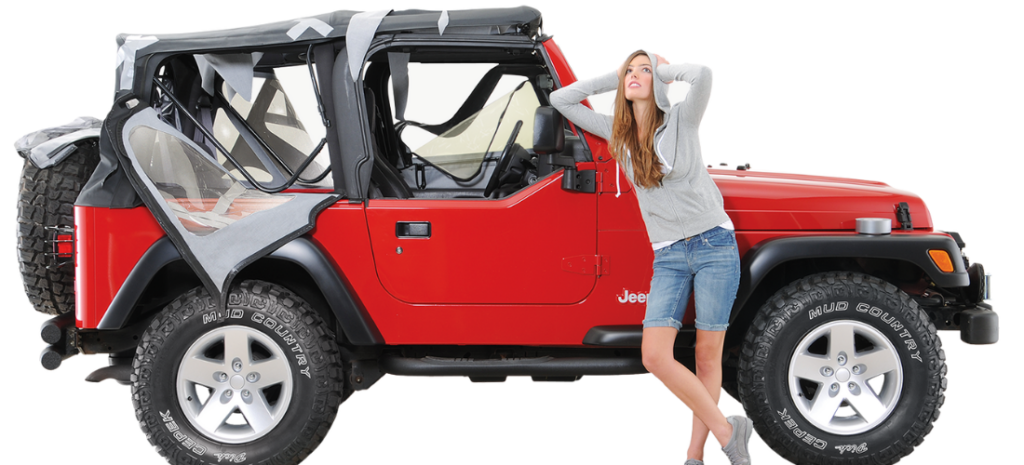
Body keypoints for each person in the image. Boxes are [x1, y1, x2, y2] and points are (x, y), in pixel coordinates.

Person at [551, 50, 751, 465]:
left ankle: (695, 457)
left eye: (645, 70)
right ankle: (729, 431)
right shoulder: (616, 133)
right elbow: (562, 99)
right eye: (632, 70)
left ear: (658, 82)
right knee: (655, 355)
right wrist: (619, 74)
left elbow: (702, 74)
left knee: (706, 356)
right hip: (669, 256)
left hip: (714, 245)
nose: (637, 75)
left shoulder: (682, 118)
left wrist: (659, 71)